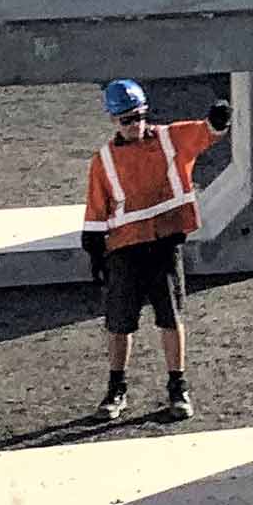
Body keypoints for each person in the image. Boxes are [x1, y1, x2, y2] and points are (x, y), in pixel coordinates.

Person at [81, 78, 227, 423]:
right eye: (126, 120)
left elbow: (205, 134)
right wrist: (94, 250)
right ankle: (116, 388)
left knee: (171, 318)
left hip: (163, 245)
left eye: (138, 117)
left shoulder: (169, 139)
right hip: (124, 250)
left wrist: (218, 122)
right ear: (114, 122)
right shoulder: (104, 160)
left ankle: (178, 385)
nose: (134, 126)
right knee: (119, 324)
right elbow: (96, 208)